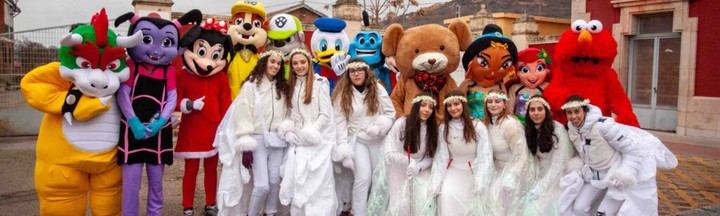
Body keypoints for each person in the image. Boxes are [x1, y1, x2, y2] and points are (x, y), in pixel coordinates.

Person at [559, 96, 677, 216]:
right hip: (594, 177)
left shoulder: (603, 126)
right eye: (569, 112)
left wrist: (625, 173)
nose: (573, 116)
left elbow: (632, 150)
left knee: (603, 213)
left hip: (614, 178)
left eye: (577, 111)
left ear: (585, 110)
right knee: (579, 208)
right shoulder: (572, 130)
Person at [218, 50, 292, 216]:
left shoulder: (282, 87)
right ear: (264, 62)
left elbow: (288, 112)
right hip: (257, 139)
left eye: (278, 63)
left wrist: (286, 127)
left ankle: (270, 212)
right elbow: (242, 113)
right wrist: (245, 142)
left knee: (275, 181)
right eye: (272, 62)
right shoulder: (251, 86)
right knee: (262, 185)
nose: (275, 66)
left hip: (278, 140)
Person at [332, 59, 396, 216]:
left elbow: (390, 113)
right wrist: (343, 147)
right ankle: (358, 212)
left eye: (360, 70)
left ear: (366, 71)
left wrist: (380, 127)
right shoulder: (343, 93)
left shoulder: (378, 89)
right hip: (358, 140)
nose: (357, 74)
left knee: (378, 178)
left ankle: (377, 211)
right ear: (348, 74)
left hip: (378, 140)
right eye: (353, 71)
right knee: (363, 178)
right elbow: (339, 122)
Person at [277, 48, 338, 215]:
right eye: (295, 63)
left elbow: (325, 115)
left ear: (309, 63)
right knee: (299, 183)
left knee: (316, 186)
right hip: (298, 143)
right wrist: (289, 130)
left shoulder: (320, 83)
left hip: (317, 143)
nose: (299, 66)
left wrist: (310, 133)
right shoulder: (290, 85)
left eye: (302, 62)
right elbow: (289, 113)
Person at [367, 92, 440, 215]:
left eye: (430, 107)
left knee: (423, 198)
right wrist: (409, 161)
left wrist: (418, 167)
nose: (427, 110)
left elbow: (430, 156)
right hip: (398, 169)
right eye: (423, 105)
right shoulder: (402, 123)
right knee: (402, 205)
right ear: (416, 106)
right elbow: (389, 152)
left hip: (419, 170)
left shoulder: (432, 129)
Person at [429, 90, 494, 215]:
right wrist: (436, 182)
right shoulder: (444, 128)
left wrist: (481, 180)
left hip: (473, 170)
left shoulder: (477, 125)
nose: (453, 108)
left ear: (463, 105)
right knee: (447, 195)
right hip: (454, 170)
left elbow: (484, 155)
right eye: (449, 105)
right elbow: (441, 157)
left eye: (456, 104)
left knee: (474, 200)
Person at [483, 89, 536, 216]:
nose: (493, 105)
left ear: (504, 104)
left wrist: (511, 176)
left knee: (499, 195)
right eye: (490, 102)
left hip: (516, 169)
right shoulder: (487, 124)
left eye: (497, 101)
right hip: (497, 169)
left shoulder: (510, 124)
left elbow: (521, 154)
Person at [520, 95, 573, 215]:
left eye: (540, 109)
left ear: (547, 111)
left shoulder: (557, 130)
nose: (536, 113)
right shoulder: (530, 130)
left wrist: (542, 186)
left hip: (557, 178)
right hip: (539, 174)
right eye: (532, 110)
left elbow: (559, 163)